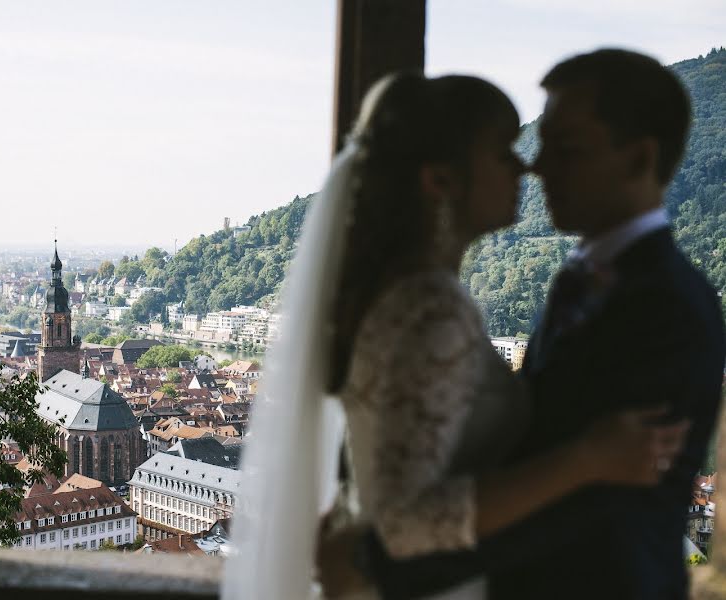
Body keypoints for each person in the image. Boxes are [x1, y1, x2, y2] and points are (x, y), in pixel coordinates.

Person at [222, 71, 689, 600]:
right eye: (502, 150)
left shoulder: (410, 295)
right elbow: (403, 519)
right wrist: (585, 459)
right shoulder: (428, 308)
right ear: (440, 181)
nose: (524, 165)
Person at [363, 50, 726, 600]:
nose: (536, 166)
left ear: (639, 159)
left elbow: (593, 507)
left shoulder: (671, 306)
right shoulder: (576, 281)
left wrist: (375, 559)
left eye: (565, 148)